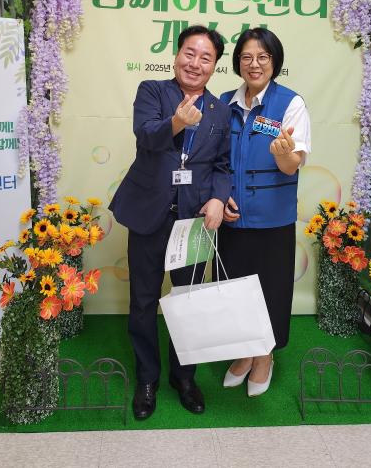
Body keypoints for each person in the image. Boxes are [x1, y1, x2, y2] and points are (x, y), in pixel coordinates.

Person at [110, 25, 231, 420]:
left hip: (194, 221)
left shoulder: (220, 111)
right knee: (143, 301)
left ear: (214, 66)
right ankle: (147, 379)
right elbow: (146, 136)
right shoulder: (152, 91)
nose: (195, 63)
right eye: (189, 53)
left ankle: (184, 377)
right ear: (176, 55)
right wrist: (177, 122)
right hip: (150, 215)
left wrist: (218, 197)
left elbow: (222, 164)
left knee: (188, 302)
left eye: (205, 57)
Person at [217, 27, 311, 397]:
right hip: (231, 218)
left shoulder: (290, 103)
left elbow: (292, 165)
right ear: (238, 62)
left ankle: (264, 356)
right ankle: (243, 352)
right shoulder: (224, 102)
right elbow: (214, 160)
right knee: (234, 290)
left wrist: (284, 154)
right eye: (247, 57)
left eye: (262, 57)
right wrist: (220, 196)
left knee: (270, 290)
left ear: (274, 61)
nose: (254, 64)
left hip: (272, 219)